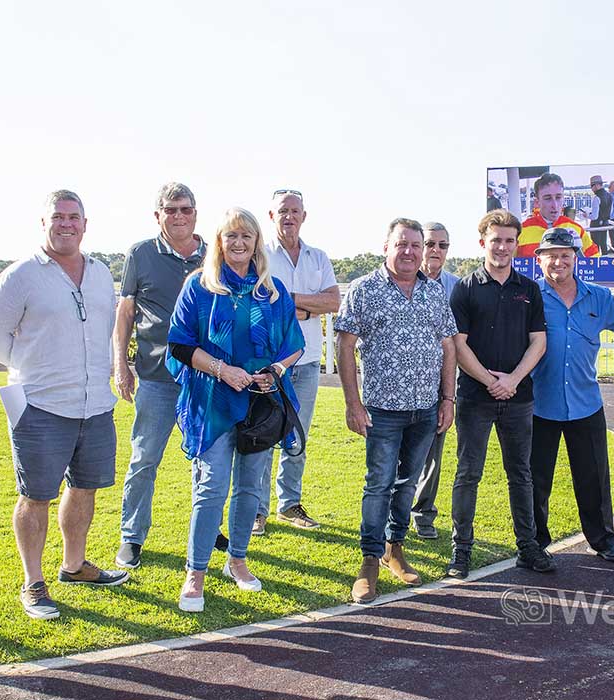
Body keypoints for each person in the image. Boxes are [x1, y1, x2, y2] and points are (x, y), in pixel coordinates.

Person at [0, 190, 129, 621]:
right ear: (43, 223)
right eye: (58, 217)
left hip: (95, 404)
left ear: (86, 223)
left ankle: (74, 565)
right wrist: (34, 367)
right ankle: (33, 581)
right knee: (36, 495)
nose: (66, 224)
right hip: (41, 405)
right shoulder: (20, 276)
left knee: (85, 487)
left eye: (74, 217)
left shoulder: (101, 273)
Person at [166, 207, 304, 613]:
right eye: (231, 236)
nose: (239, 243)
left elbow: (294, 343)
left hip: (260, 405)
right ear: (220, 242)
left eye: (247, 236)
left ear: (257, 242)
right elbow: (179, 344)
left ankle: (238, 561)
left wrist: (273, 372)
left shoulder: (272, 290)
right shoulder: (199, 286)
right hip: (214, 403)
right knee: (211, 488)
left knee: (249, 488)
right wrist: (223, 370)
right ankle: (195, 573)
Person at [336, 218, 457, 604]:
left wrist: (448, 399)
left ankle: (395, 549)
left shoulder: (434, 292)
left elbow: (449, 347)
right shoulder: (364, 290)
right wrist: (353, 404)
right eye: (401, 244)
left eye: (416, 245)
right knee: (379, 485)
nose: (409, 252)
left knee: (408, 485)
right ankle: (370, 560)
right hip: (382, 411)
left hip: (425, 410)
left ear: (424, 250)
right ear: (386, 246)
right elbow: (344, 347)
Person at [530, 228, 614, 563]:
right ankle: (534, 542)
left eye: (565, 255)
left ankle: (603, 540)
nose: (559, 261)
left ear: (575, 258)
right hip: (538, 404)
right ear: (539, 259)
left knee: (593, 478)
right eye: (552, 255)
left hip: (586, 403)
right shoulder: (530, 297)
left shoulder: (599, 297)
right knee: (535, 478)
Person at [447, 210, 554, 578]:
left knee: (521, 475)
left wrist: (512, 380)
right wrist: (491, 381)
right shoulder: (464, 288)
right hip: (475, 399)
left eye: (510, 240)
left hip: (518, 399)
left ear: (517, 244)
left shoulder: (530, 289)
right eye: (497, 240)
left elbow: (538, 343)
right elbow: (458, 346)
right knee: (468, 475)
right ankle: (460, 551)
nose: (503, 247)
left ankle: (528, 546)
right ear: (483, 243)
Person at [114, 183, 210, 570]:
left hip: (206, 380)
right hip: (156, 378)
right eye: (170, 210)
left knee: (206, 461)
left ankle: (206, 530)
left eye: (185, 209)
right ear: (158, 215)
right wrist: (121, 365)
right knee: (144, 461)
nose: (178, 216)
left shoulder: (215, 253)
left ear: (196, 214)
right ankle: (131, 536)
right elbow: (125, 314)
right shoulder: (140, 254)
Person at [256, 188, 340, 535]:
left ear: (304, 216)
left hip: (305, 363)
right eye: (282, 211)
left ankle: (289, 503)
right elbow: (259, 300)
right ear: (271, 216)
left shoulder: (317, 257)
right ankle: (257, 509)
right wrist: (306, 308)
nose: (289, 216)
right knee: (261, 434)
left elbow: (333, 302)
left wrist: (288, 301)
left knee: (296, 434)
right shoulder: (259, 255)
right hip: (265, 363)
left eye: (295, 210)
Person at [410, 221, 461, 539]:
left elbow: (459, 341)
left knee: (433, 454)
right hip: (399, 387)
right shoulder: (398, 281)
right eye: (430, 244)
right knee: (396, 455)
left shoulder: (457, 287)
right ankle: (393, 515)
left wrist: (449, 394)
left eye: (443, 246)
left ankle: (424, 514)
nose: (436, 251)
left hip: (439, 383)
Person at [518, 173, 598, 257]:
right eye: (548, 198)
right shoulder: (522, 231)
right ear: (537, 202)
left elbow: (595, 262)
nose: (555, 205)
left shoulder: (576, 229)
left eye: (558, 197)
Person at [588, 175, 613, 255]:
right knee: (604, 243)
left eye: (592, 185)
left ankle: (596, 264)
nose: (591, 188)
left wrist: (587, 215)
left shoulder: (596, 198)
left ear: (596, 185)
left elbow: (594, 216)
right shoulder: (609, 196)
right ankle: (605, 262)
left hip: (596, 225)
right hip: (605, 223)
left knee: (596, 246)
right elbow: (611, 212)